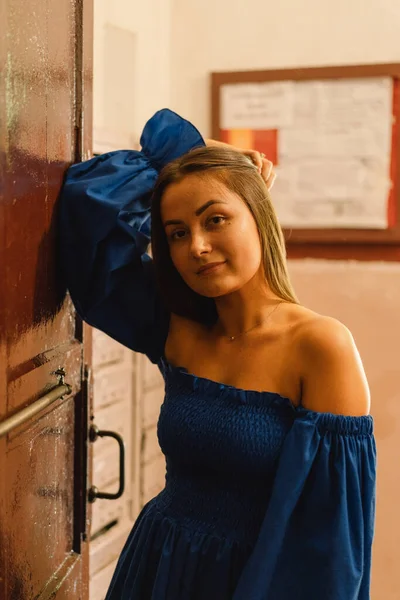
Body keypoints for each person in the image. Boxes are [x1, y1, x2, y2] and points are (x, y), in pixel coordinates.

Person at [58, 109, 376, 600]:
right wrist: (182, 152)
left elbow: (329, 550)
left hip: (253, 583)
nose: (198, 247)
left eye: (216, 219)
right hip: (156, 569)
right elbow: (87, 214)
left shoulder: (321, 347)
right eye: (177, 232)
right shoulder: (177, 325)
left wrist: (220, 165)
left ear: (259, 216)